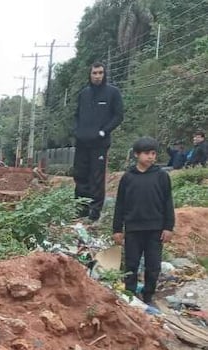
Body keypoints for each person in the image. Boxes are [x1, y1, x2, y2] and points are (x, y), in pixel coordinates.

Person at [112, 137, 175, 305]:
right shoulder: (128, 178)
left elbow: (168, 202)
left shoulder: (162, 176)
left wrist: (168, 227)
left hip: (155, 229)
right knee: (131, 264)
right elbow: (120, 204)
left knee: (153, 266)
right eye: (147, 153)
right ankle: (130, 296)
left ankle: (148, 297)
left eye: (153, 153)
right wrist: (117, 229)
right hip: (133, 229)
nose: (151, 157)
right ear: (136, 155)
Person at [73, 62, 124, 221]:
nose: (97, 76)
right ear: (90, 74)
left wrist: (103, 131)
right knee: (80, 175)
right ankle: (80, 210)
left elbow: (118, 116)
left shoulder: (113, 93)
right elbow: (76, 115)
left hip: (99, 144)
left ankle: (94, 213)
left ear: (104, 74)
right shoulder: (84, 94)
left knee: (96, 176)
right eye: (94, 73)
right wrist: (76, 131)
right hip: (82, 143)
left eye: (100, 73)